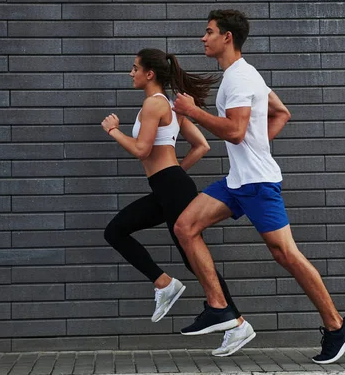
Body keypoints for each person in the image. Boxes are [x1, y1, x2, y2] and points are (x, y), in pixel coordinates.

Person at [171, 10, 345, 364]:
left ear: (227, 37)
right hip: (239, 180)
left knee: (286, 255)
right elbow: (280, 113)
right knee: (185, 226)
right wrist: (258, 147)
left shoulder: (241, 77)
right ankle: (220, 308)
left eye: (208, 31)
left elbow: (235, 131)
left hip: (257, 184)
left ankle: (337, 327)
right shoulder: (243, 75)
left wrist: (193, 111)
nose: (203, 37)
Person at [101, 49, 250, 353]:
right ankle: (166, 284)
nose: (132, 73)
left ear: (149, 74)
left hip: (170, 186)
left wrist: (114, 131)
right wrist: (174, 175)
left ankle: (236, 323)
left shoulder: (153, 105)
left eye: (135, 68)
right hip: (169, 187)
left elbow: (142, 150)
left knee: (192, 257)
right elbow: (202, 146)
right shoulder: (170, 105)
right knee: (119, 232)